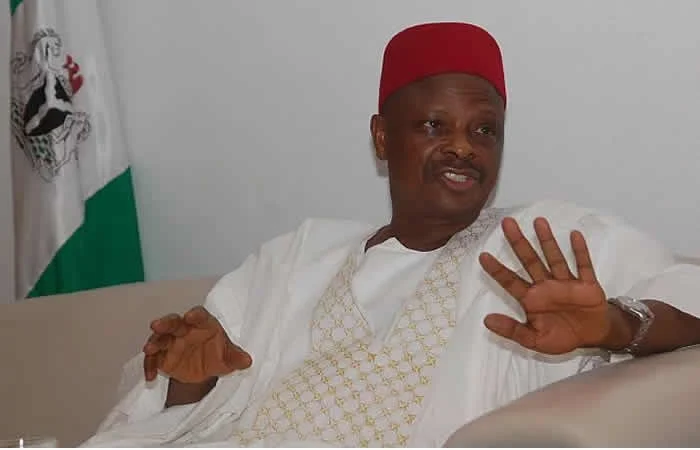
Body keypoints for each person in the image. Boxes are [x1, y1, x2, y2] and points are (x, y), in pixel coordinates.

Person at [82, 22, 700, 447]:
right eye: (434, 125)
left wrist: (617, 324)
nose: (463, 146)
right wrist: (194, 378)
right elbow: (172, 412)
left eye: (484, 130)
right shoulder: (297, 258)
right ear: (382, 137)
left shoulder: (542, 241)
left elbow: (688, 298)